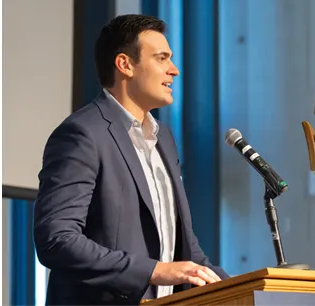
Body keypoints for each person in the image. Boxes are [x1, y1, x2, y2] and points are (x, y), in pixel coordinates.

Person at [34, 14, 227, 305]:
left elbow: (183, 247)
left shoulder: (165, 139)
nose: (173, 70)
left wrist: (239, 286)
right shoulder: (82, 134)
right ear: (125, 64)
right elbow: (56, 240)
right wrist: (154, 270)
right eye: (161, 58)